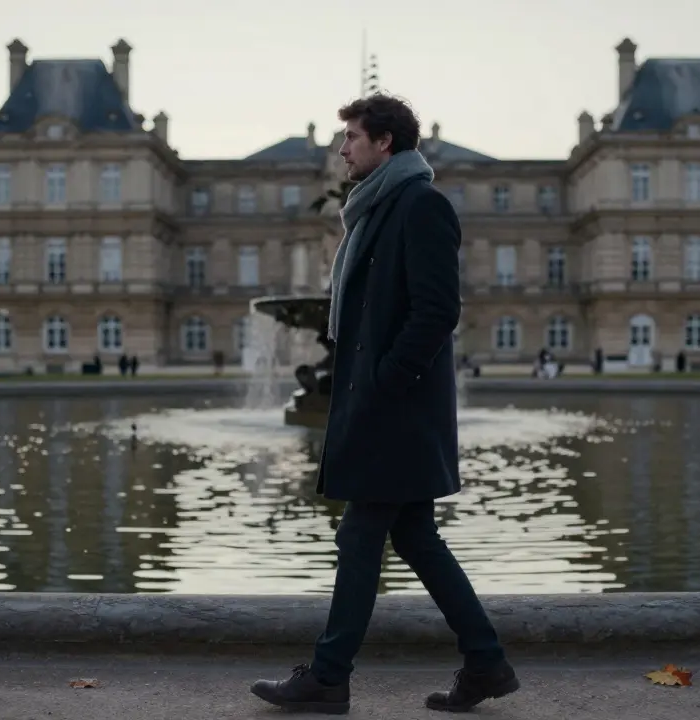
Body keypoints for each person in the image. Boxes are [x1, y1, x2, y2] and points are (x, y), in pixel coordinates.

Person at [250, 93, 517, 715]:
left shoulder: (421, 205)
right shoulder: (376, 208)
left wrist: (384, 383)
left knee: (361, 533)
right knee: (416, 537)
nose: (342, 148)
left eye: (351, 137)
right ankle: (485, 663)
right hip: (386, 401)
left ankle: (327, 676)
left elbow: (437, 311)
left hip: (396, 406)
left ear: (385, 143)